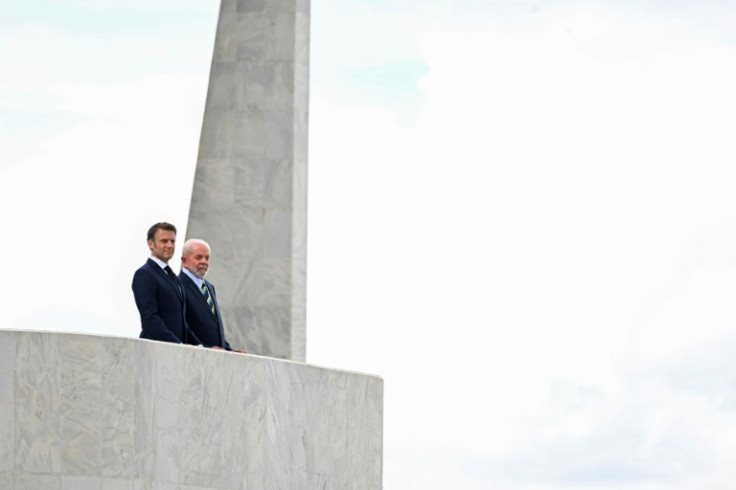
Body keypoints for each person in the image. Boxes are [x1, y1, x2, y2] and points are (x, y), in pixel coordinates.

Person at [132, 222, 201, 345]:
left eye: (172, 241)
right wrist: (177, 344)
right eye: (164, 241)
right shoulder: (144, 274)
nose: (169, 245)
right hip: (155, 352)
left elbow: (181, 322)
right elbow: (150, 318)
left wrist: (199, 346)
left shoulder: (172, 276)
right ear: (150, 244)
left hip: (174, 353)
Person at [178, 238, 244, 353]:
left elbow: (214, 327)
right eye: (198, 257)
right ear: (184, 261)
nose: (204, 261)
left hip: (214, 360)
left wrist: (228, 350)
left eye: (207, 258)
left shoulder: (209, 287)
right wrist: (204, 349)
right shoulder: (177, 286)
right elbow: (181, 325)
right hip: (194, 357)